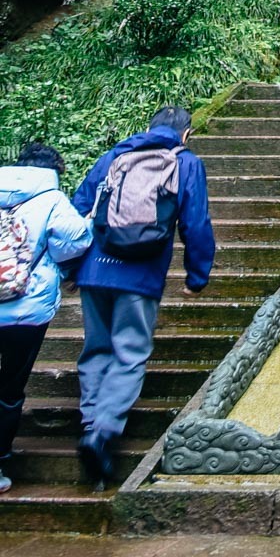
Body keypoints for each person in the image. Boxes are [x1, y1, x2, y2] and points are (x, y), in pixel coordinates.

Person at [72, 106, 215, 486]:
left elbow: (78, 210)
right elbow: (195, 222)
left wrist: (72, 269)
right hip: (141, 274)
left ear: (148, 127)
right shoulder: (185, 163)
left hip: (94, 270)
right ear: (186, 134)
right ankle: (101, 432)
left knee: (96, 348)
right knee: (129, 352)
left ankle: (90, 423)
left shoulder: (113, 157)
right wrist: (197, 276)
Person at [0, 143, 93, 495]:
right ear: (54, 168)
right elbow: (74, 242)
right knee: (9, 387)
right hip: (26, 309)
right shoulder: (52, 199)